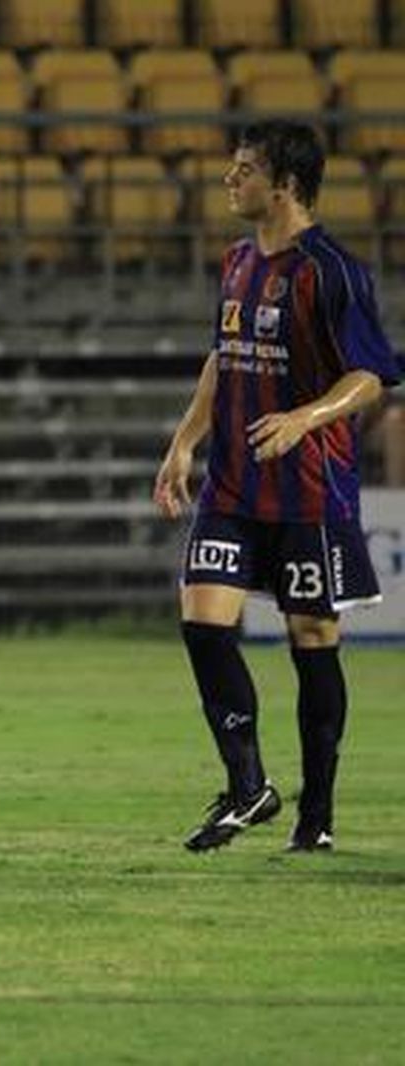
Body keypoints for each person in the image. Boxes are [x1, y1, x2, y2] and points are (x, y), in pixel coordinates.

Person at [153, 121, 401, 853]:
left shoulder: (332, 271)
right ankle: (247, 784)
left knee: (312, 640)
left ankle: (315, 814)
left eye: (244, 169)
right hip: (233, 481)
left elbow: (372, 377)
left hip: (310, 487)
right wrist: (183, 441)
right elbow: (223, 355)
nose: (230, 179)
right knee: (202, 620)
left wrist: (305, 416)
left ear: (286, 184)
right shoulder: (235, 262)